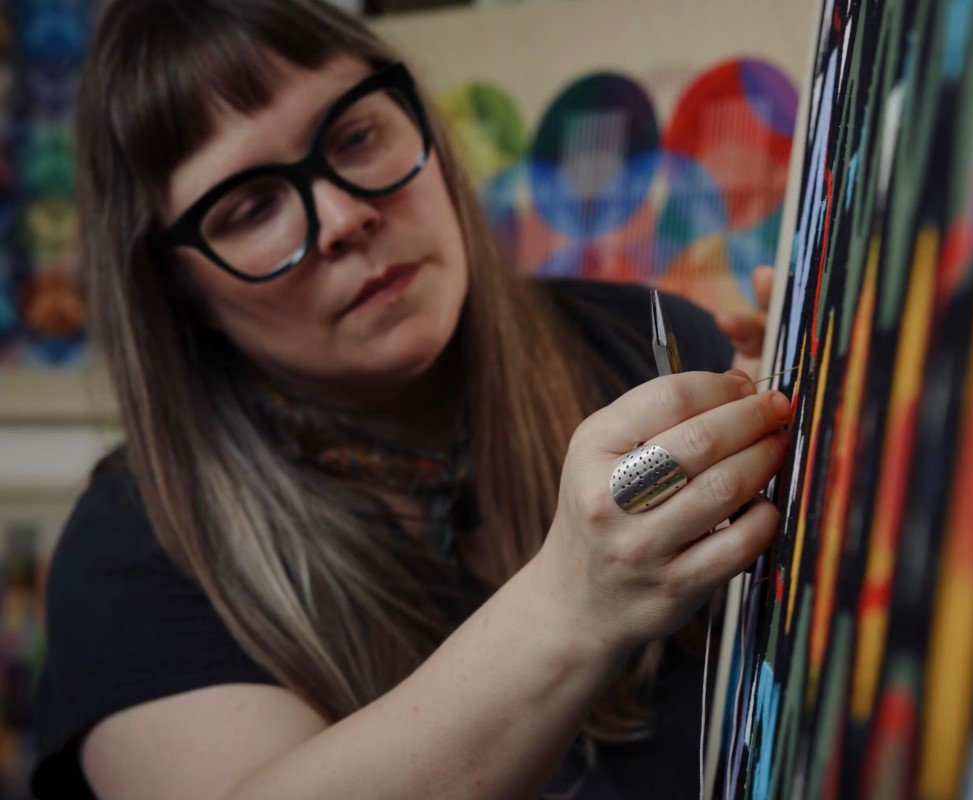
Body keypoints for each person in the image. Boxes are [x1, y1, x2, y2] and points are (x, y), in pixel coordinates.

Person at [32, 1, 791, 797]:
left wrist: (785, 453)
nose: (344, 216)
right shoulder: (130, 553)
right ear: (176, 292)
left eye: (356, 137)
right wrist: (572, 603)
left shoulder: (640, 343)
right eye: (251, 209)